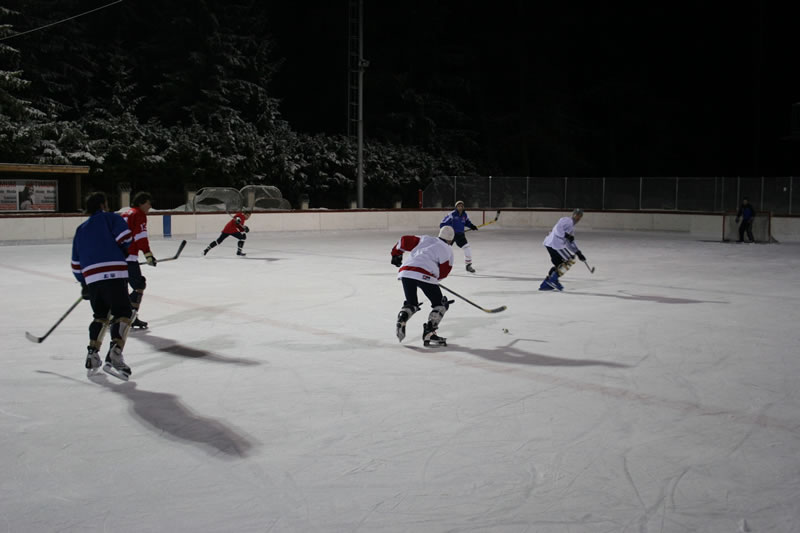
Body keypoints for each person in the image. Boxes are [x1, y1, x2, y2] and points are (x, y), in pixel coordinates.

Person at [71, 192, 135, 380]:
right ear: (102, 205)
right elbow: (125, 237)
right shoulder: (110, 218)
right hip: (114, 273)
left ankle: (92, 355)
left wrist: (84, 283)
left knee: (100, 316)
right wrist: (121, 252)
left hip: (92, 278)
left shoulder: (80, 229)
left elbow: (76, 263)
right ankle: (115, 354)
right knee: (124, 313)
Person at [391, 225, 455, 346]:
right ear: (451, 239)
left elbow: (404, 240)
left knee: (411, 304)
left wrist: (396, 254)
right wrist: (433, 280)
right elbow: (444, 272)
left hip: (406, 272)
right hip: (425, 275)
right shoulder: (447, 249)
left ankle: (402, 318)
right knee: (440, 305)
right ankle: (429, 333)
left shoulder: (425, 239)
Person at [121, 192, 156, 329]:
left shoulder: (126, 213)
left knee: (122, 287)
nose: (150, 206)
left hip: (117, 257)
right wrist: (148, 254)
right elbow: (140, 237)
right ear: (141, 203)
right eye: (148, 203)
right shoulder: (139, 214)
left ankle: (118, 314)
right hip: (129, 257)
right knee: (139, 285)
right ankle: (130, 316)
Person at [540, 208, 586, 291]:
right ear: (574, 215)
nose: (577, 217)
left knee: (560, 265)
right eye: (577, 215)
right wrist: (567, 235)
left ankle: (546, 284)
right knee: (570, 260)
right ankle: (553, 280)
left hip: (550, 244)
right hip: (555, 244)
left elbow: (569, 242)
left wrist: (578, 252)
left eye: (579, 216)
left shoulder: (571, 227)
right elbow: (558, 229)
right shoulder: (567, 220)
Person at [440, 200, 479, 273]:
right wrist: (449, 230)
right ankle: (441, 266)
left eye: (461, 206)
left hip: (460, 235)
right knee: (446, 250)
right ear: (456, 207)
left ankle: (468, 265)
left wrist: (472, 226)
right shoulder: (452, 214)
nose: (460, 207)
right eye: (458, 206)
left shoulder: (465, 215)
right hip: (451, 235)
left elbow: (467, 222)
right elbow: (442, 223)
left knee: (467, 248)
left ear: (463, 207)